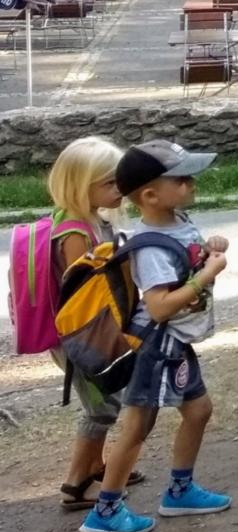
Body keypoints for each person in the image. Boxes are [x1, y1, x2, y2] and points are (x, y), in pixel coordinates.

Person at [80, 140, 230, 532]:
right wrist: (207, 275)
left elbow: (189, 258)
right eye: (181, 179)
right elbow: (160, 306)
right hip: (158, 344)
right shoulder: (149, 246)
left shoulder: (177, 219)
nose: (191, 183)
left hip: (176, 343)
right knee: (137, 426)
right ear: (149, 195)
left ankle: (180, 491)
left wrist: (209, 251)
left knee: (198, 411)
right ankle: (106, 511)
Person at [45, 137, 146, 511]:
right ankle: (75, 483)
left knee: (106, 402)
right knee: (102, 407)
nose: (119, 189)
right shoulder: (75, 233)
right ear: (80, 187)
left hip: (90, 330)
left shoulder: (88, 221)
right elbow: (87, 295)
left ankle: (97, 466)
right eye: (109, 184)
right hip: (83, 335)